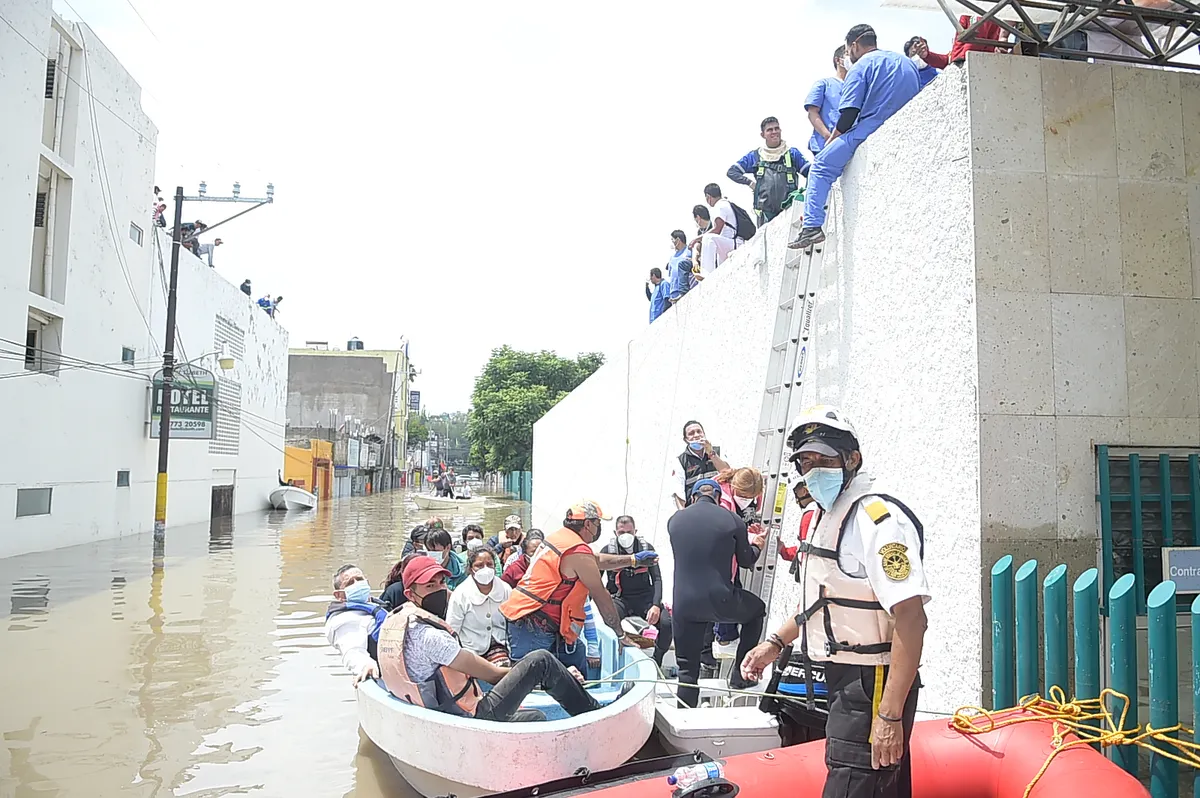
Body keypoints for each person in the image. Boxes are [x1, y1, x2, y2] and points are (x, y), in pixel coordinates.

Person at [740, 406, 929, 798]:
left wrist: (889, 715)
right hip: (844, 677)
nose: (814, 469)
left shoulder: (877, 519)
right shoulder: (830, 515)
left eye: (825, 459)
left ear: (852, 459)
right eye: (806, 461)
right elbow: (824, 602)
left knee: (855, 783)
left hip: (874, 680)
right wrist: (774, 644)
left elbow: (911, 618)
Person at [378, 555, 602, 722]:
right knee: (541, 661)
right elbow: (493, 675)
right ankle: (595, 715)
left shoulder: (395, 622)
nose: (439, 590)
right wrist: (551, 676)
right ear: (410, 594)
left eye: (441, 583)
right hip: (468, 716)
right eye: (430, 586)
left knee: (535, 717)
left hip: (438, 709)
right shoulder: (431, 637)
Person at [790, 25, 921, 252]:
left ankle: (811, 226)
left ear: (854, 46)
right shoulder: (906, 62)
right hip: (906, 127)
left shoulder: (860, 67)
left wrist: (831, 140)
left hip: (869, 128)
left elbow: (849, 113)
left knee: (820, 165)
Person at [501, 501, 654, 671]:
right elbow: (601, 596)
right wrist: (621, 634)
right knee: (530, 685)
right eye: (598, 523)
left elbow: (595, 560)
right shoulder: (576, 551)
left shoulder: (560, 538)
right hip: (534, 627)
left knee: (574, 659)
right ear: (588, 524)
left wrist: (633, 560)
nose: (599, 528)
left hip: (533, 622)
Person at [668, 480, 767, 708]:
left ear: (693, 497)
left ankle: (685, 712)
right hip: (720, 599)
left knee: (686, 670)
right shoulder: (732, 520)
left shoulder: (674, 521)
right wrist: (758, 544)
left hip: (683, 605)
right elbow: (746, 561)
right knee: (757, 611)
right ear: (717, 496)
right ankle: (739, 677)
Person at [599, 515, 672, 665]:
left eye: (629, 532)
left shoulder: (646, 549)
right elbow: (595, 580)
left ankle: (657, 659)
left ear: (635, 532)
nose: (625, 536)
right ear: (615, 533)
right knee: (609, 623)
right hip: (619, 598)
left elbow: (657, 578)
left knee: (667, 624)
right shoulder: (607, 551)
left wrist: (656, 605)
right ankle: (613, 661)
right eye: (621, 532)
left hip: (645, 598)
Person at [727, 117, 810, 224]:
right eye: (770, 130)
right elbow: (732, 172)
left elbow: (812, 173)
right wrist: (750, 183)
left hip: (790, 211)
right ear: (763, 135)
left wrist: (805, 195)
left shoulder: (792, 154)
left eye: (777, 128)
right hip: (765, 215)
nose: (774, 132)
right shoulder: (755, 156)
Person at [324, 563, 390, 684]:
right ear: (339, 595)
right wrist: (365, 665)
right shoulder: (345, 619)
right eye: (350, 583)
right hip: (388, 677)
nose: (357, 584)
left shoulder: (373, 605)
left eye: (359, 579)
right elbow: (352, 650)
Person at [447, 547, 513, 656]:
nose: (485, 569)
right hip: (471, 650)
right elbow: (453, 630)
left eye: (489, 564)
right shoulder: (460, 594)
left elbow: (513, 623)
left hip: (502, 645)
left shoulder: (505, 589)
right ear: (470, 569)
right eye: (479, 565)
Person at [669, 420, 731, 510]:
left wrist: (711, 453)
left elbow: (727, 472)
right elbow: (678, 492)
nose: (696, 435)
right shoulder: (681, 461)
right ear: (686, 440)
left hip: (717, 506)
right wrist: (682, 514)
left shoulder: (717, 452)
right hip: (695, 508)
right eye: (691, 433)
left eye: (699, 432)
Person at [689, 184, 743, 278]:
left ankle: (706, 273)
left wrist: (697, 239)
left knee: (708, 238)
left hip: (733, 242)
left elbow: (717, 229)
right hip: (730, 242)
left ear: (708, 197)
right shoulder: (725, 204)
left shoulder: (720, 205)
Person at [805, 47, 849, 156]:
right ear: (838, 60)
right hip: (825, 146)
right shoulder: (824, 84)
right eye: (847, 55)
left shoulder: (856, 86)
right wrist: (828, 136)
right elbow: (812, 113)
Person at [667, 230, 694, 305]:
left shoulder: (689, 250)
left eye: (673, 240)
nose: (672, 242)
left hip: (686, 290)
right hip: (673, 292)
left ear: (678, 240)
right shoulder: (672, 258)